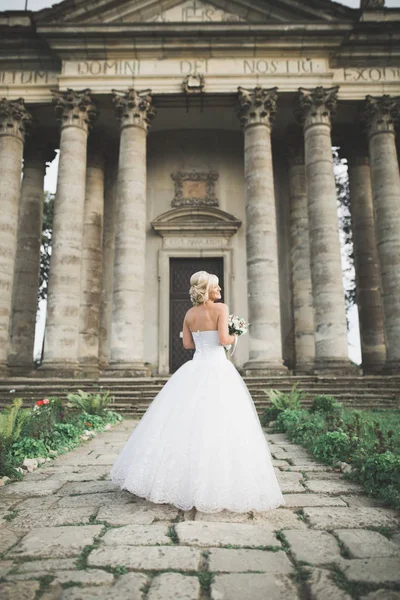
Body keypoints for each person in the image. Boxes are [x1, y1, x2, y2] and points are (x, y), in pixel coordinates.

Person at [110, 271, 285, 513]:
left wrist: (208, 337)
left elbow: (187, 345)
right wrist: (235, 335)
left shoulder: (189, 314)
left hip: (195, 367)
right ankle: (217, 483)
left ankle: (170, 481)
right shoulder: (221, 309)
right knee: (223, 423)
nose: (220, 290)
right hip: (218, 369)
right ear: (208, 289)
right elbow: (223, 338)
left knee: (185, 422)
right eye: (217, 287)